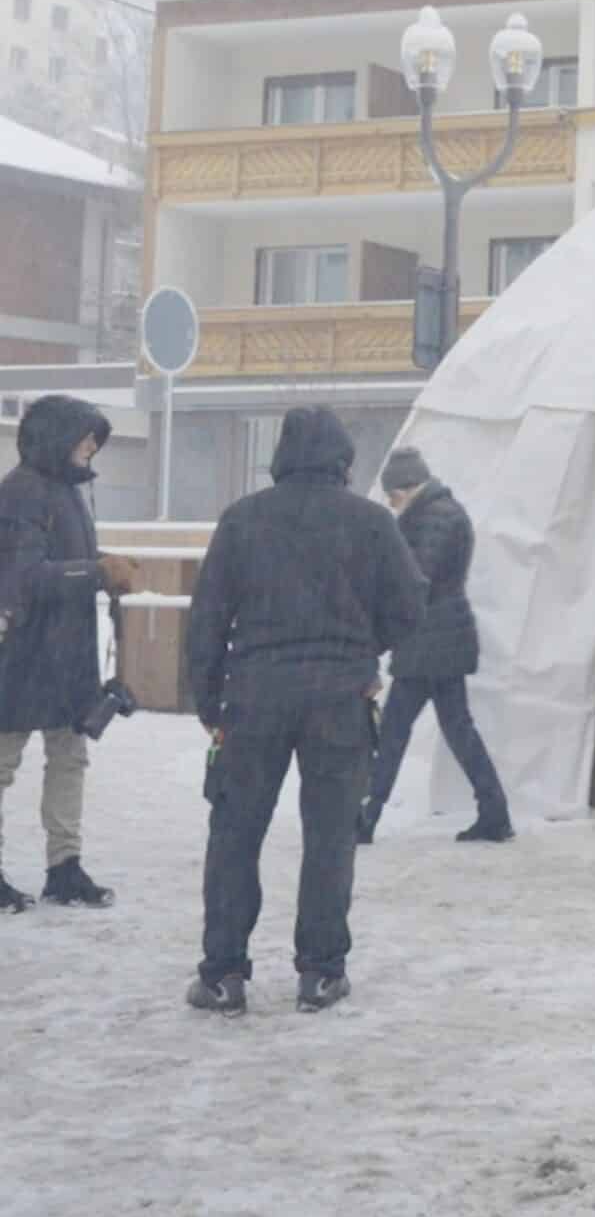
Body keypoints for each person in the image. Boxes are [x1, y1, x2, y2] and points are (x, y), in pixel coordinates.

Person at [183, 406, 425, 1013]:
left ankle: (223, 975)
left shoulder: (242, 520)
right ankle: (320, 973)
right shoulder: (371, 522)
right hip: (339, 701)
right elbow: (411, 605)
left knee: (235, 835)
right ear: (343, 458)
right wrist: (364, 656)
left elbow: (207, 618)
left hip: (254, 697)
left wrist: (210, 701)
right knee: (329, 837)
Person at [0, 395, 135, 913]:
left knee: (69, 759)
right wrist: (95, 573)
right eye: (85, 438)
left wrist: (104, 563)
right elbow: (24, 577)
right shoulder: (19, 494)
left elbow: (60, 560)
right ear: (58, 437)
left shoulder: (70, 490)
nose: (92, 448)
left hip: (66, 654)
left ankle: (64, 867)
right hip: (21, 654)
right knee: (3, 762)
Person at [356, 446, 512, 845]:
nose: (391, 506)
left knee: (394, 730)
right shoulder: (439, 512)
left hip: (429, 640)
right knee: (457, 728)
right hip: (441, 638)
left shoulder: (432, 517)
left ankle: (367, 817)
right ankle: (494, 812)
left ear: (406, 489)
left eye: (392, 497)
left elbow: (415, 579)